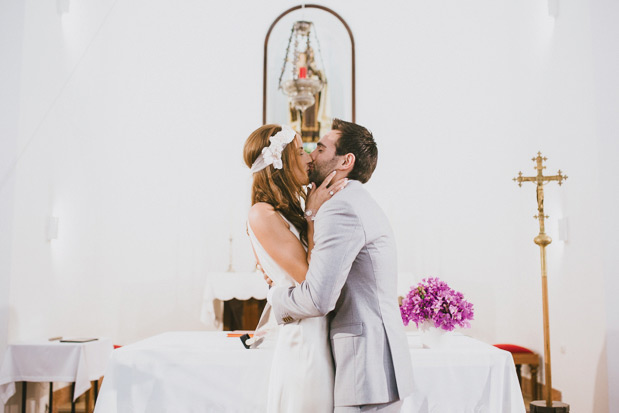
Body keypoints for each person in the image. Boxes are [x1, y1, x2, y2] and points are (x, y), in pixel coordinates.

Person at [267, 119, 414, 412]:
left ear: (346, 161)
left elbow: (319, 299)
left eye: (321, 148)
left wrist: (275, 297)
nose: (311, 155)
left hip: (365, 367)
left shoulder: (340, 207)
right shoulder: (352, 200)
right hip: (373, 363)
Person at [243, 124, 347, 412]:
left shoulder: (284, 210)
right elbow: (309, 279)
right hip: (302, 341)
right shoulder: (261, 213)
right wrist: (312, 216)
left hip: (316, 333)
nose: (309, 158)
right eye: (300, 151)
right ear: (280, 161)